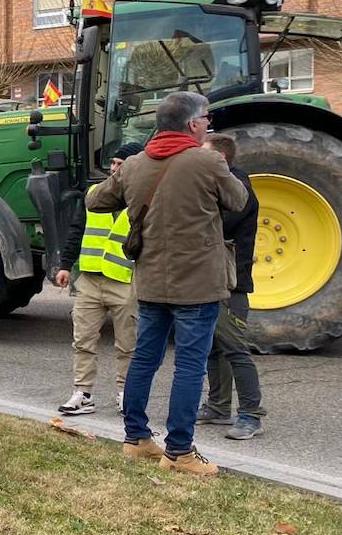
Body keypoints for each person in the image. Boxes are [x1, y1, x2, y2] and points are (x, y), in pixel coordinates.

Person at [86, 91, 248, 475]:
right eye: (206, 118)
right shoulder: (207, 160)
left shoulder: (135, 164)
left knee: (145, 357)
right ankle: (179, 451)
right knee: (190, 365)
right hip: (199, 281)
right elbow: (239, 200)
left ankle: (136, 438)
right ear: (193, 124)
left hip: (151, 279)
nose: (209, 124)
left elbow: (96, 202)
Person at [54, 141, 145, 416]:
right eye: (113, 164)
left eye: (121, 165)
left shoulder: (144, 197)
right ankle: (83, 394)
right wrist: (65, 265)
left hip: (124, 280)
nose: (114, 169)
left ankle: (124, 394)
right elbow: (77, 229)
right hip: (90, 280)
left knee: (127, 344)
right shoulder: (94, 193)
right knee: (83, 340)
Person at [197, 132, 265, 439]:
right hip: (211, 279)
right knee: (214, 348)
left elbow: (218, 224)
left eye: (203, 153)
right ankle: (218, 407)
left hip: (231, 282)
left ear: (219, 158)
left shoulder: (238, 187)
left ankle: (251, 415)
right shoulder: (220, 182)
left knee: (236, 349)